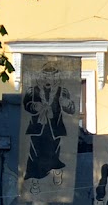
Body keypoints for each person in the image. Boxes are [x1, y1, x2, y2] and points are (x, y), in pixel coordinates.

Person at [21, 60, 75, 193]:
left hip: (54, 128)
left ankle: (56, 170)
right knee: (34, 155)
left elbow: (71, 109)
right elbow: (26, 104)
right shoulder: (33, 91)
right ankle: (34, 182)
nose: (48, 79)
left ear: (56, 77)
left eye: (51, 76)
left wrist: (67, 103)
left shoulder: (62, 91)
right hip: (38, 128)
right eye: (45, 76)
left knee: (54, 151)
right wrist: (34, 106)